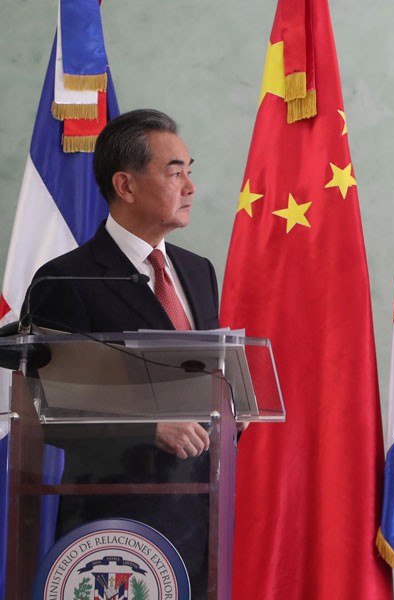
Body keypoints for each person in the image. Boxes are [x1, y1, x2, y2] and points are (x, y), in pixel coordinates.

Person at [25, 108, 219, 597]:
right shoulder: (65, 279)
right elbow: (51, 410)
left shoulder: (198, 272)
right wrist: (150, 428)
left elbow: (209, 379)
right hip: (110, 534)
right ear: (126, 186)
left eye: (189, 171)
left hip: (200, 515)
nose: (190, 186)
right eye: (176, 172)